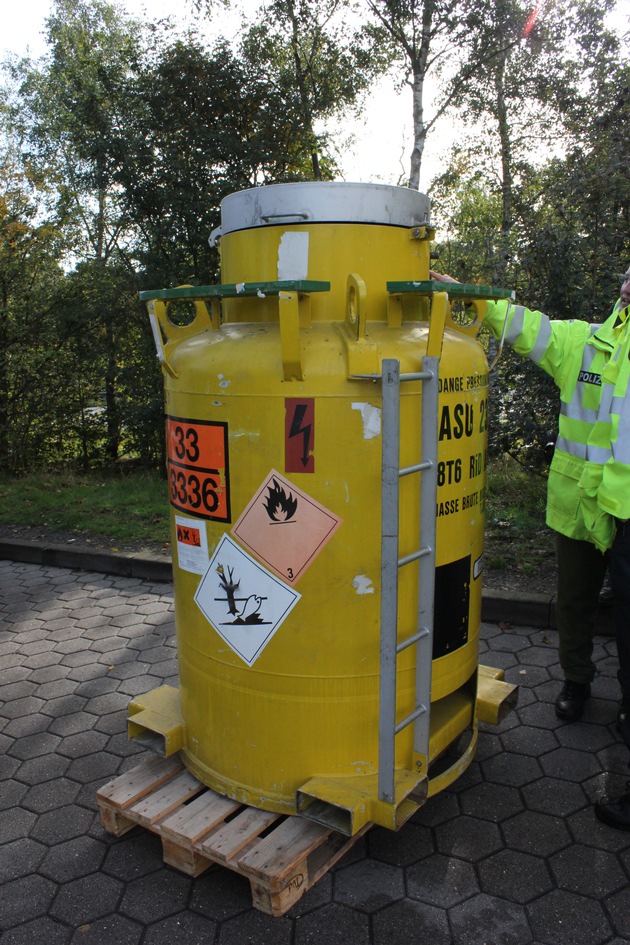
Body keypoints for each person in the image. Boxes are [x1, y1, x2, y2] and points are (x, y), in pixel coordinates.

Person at [430, 267, 630, 829]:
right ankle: (577, 683)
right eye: (625, 275)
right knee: (573, 602)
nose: (626, 284)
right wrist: (473, 295)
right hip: (580, 506)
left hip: (627, 510)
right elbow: (523, 325)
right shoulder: (585, 344)